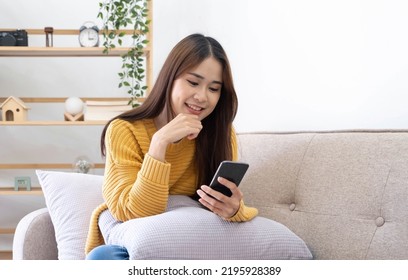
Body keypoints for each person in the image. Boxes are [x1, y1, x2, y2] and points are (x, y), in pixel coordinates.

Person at [85, 33, 258, 260]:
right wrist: (159, 143)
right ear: (170, 78)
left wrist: (234, 209)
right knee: (103, 258)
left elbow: (238, 209)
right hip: (137, 241)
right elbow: (132, 212)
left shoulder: (220, 134)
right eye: (193, 82)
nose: (202, 97)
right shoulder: (124, 130)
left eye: (214, 89)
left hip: (193, 240)